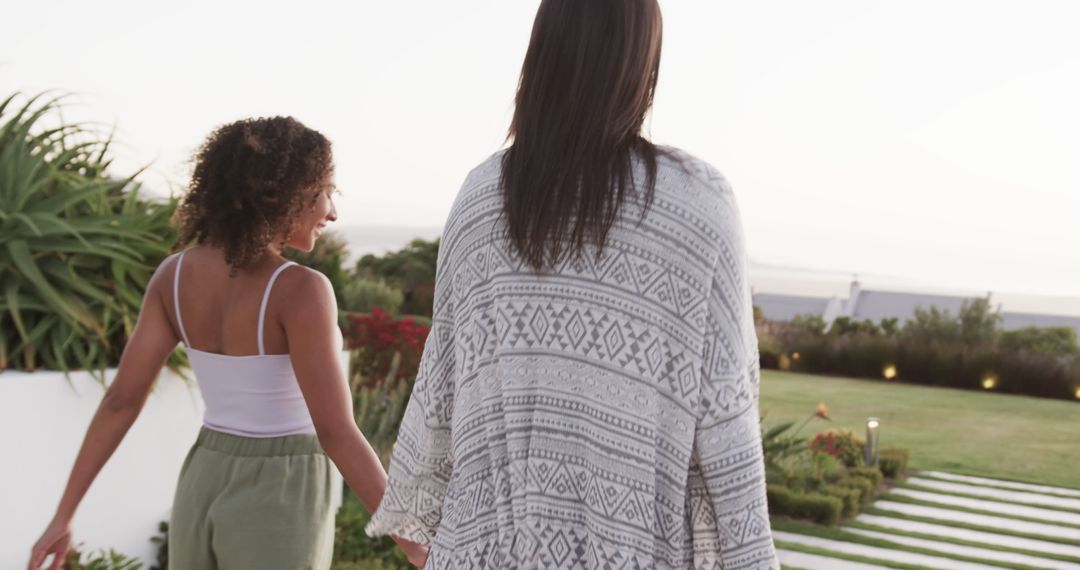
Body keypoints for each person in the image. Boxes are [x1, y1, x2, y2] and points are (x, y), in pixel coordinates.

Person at [365, 0, 779, 568]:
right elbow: (727, 416)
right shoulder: (696, 205)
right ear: (640, 64)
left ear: (543, 53)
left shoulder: (479, 198)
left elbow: (441, 391)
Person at [29, 117, 428, 570]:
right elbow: (336, 431)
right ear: (281, 195)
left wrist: (62, 516)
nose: (332, 211)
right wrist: (412, 540)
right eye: (325, 191)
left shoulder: (172, 276)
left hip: (204, 475)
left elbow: (121, 400)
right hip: (281, 489)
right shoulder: (301, 290)